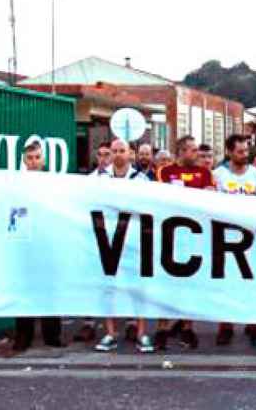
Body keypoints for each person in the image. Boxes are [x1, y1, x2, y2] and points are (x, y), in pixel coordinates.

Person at [155, 135, 215, 350]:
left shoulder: (206, 173)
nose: (196, 153)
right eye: (192, 150)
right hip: (171, 235)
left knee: (191, 283)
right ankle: (162, 328)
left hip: (195, 236)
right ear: (180, 152)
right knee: (167, 282)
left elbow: (210, 199)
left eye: (197, 149)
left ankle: (187, 327)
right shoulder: (165, 172)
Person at [93, 139, 154, 354]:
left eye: (122, 151)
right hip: (108, 238)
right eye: (114, 151)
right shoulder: (100, 178)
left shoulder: (141, 179)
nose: (118, 155)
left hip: (134, 239)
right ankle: (110, 332)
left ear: (131, 154)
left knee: (138, 287)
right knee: (109, 286)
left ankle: (141, 333)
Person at [214, 134, 256, 345]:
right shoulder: (217, 175)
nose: (244, 155)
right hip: (226, 236)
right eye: (240, 151)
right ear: (229, 152)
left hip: (251, 237)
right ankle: (225, 325)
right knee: (226, 282)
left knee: (253, 281)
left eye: (246, 151)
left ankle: (254, 324)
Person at [13, 142, 63, 352]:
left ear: (43, 159)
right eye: (30, 158)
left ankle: (52, 335)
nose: (34, 161)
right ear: (24, 160)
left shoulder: (53, 182)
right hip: (25, 242)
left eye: (37, 157)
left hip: (49, 241)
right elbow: (14, 210)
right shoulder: (17, 183)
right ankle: (23, 336)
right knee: (23, 289)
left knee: (49, 289)